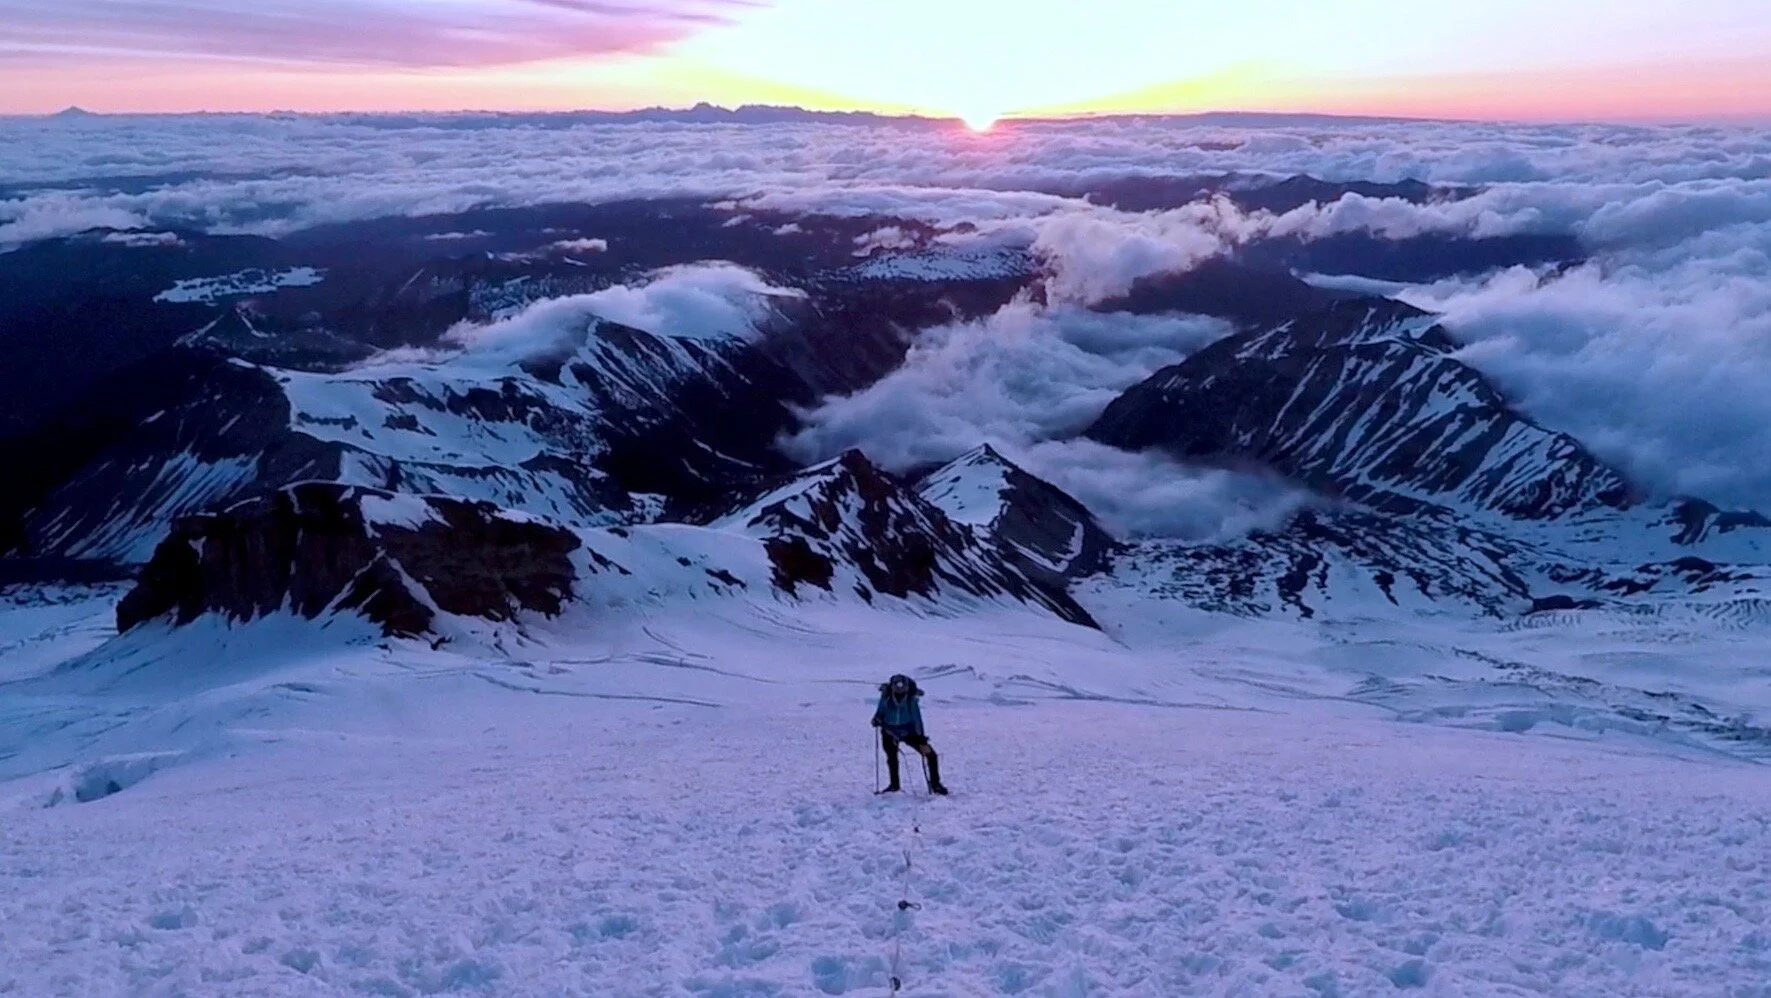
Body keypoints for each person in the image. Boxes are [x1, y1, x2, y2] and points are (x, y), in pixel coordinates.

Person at [872, 674, 949, 795]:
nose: (899, 690)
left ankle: (936, 784)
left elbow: (916, 718)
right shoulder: (886, 696)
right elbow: (880, 711)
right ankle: (894, 785)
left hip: (909, 732)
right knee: (892, 758)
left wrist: (921, 739)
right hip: (889, 731)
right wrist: (877, 719)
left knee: (931, 755)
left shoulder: (910, 699)